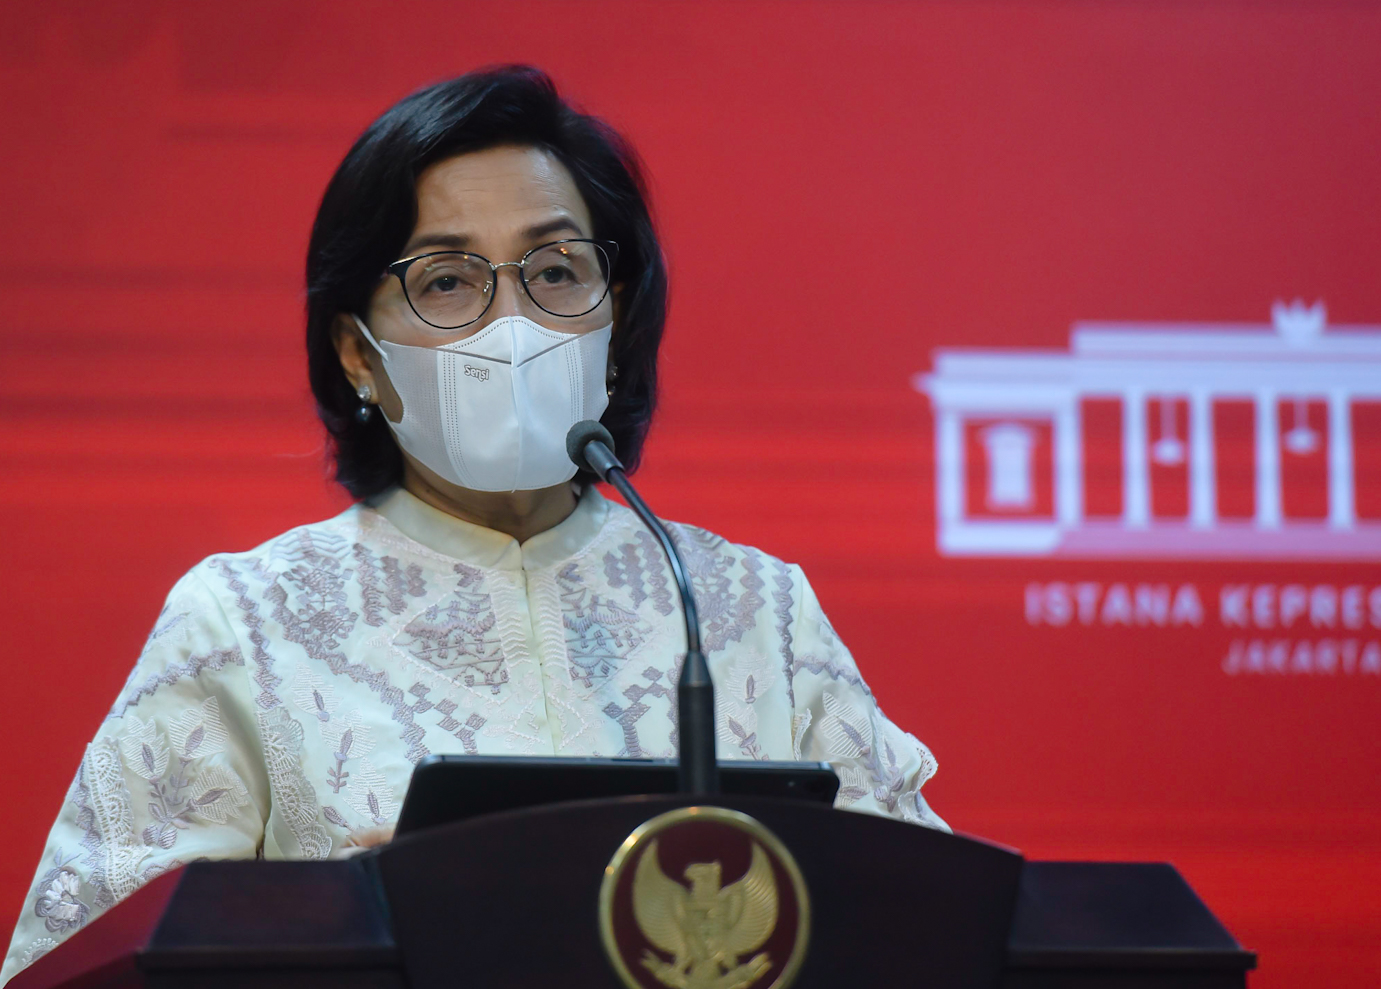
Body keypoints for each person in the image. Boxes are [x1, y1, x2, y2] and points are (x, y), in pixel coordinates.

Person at [1, 65, 945, 983]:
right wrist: (337, 922)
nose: (513, 324)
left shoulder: (752, 607)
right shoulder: (245, 619)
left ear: (615, 322)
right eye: (448, 282)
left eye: (556, 271)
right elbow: (87, 959)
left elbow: (945, 924)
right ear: (357, 354)